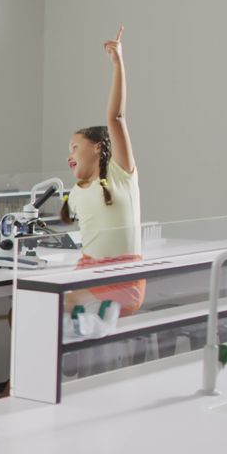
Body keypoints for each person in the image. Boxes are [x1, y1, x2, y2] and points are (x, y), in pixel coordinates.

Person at [61, 27, 145, 317]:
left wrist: (118, 62)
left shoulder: (122, 175)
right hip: (89, 271)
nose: (69, 155)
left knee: (49, 309)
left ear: (97, 147)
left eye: (75, 147)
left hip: (121, 279)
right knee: (27, 307)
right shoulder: (77, 191)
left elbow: (116, 117)